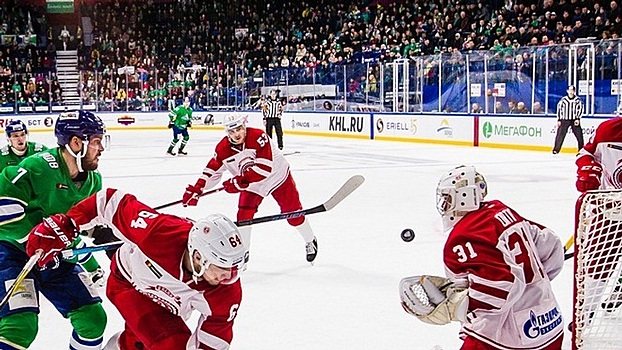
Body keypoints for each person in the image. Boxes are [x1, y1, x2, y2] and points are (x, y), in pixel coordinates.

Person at [25, 188, 249, 350]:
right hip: (128, 285)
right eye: (221, 267)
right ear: (198, 256)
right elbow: (111, 201)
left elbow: (212, 340)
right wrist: (70, 223)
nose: (227, 276)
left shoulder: (226, 292)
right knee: (170, 345)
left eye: (234, 268)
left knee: (140, 341)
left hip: (168, 305)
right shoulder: (161, 233)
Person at [400, 165, 564, 350]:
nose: (444, 205)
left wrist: (456, 308)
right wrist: (533, 286)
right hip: (551, 326)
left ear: (464, 197)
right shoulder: (503, 212)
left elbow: (501, 291)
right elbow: (552, 246)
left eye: (448, 198)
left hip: (506, 339)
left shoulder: (465, 236)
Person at [0, 110, 108, 350]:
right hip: (12, 254)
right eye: (96, 141)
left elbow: (85, 225)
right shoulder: (37, 167)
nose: (101, 149)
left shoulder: (94, 181)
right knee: (20, 326)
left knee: (93, 319)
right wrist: (33, 236)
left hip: (54, 257)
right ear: (76, 143)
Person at [181, 114, 318, 262]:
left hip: (278, 176)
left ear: (244, 126)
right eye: (232, 131)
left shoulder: (258, 136)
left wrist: (239, 182)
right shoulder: (223, 149)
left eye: (239, 129)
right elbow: (212, 170)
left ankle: (310, 240)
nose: (236, 134)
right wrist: (198, 189)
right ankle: (243, 253)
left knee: (293, 214)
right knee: (244, 216)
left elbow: (265, 169)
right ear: (227, 133)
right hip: (252, 184)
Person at [552, 85, 584, 154]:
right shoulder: (563, 100)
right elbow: (559, 109)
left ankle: (581, 150)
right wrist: (559, 119)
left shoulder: (578, 100)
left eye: (572, 90)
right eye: (570, 90)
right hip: (564, 119)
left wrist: (578, 118)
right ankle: (556, 149)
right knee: (560, 135)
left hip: (574, 119)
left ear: (574, 91)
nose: (571, 92)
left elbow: (580, 109)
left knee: (579, 135)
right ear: (567, 91)